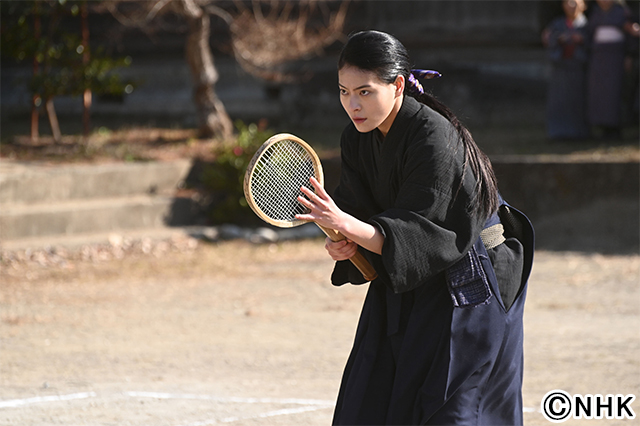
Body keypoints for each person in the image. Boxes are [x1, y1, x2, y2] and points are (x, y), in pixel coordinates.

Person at [295, 30, 535, 425]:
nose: (352, 104)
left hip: (472, 281)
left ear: (398, 85)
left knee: (454, 411)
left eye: (365, 91)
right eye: (343, 91)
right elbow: (361, 215)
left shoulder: (434, 136)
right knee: (371, 398)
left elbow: (419, 233)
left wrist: (348, 226)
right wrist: (346, 242)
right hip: (407, 280)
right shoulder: (357, 136)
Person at [586, 0, 638, 139]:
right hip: (599, 57)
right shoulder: (595, 13)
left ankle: (615, 126)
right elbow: (589, 34)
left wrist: (629, 55)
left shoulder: (623, 12)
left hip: (616, 57)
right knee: (599, 93)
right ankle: (601, 125)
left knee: (614, 92)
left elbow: (630, 36)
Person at [542, 0, 590, 140]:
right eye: (568, 2)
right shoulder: (557, 24)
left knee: (579, 101)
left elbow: (592, 42)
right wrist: (558, 39)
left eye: (575, 2)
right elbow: (549, 39)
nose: (571, 6)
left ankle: (579, 132)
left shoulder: (587, 25)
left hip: (579, 68)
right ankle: (557, 132)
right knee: (559, 102)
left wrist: (581, 40)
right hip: (561, 68)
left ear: (583, 5)